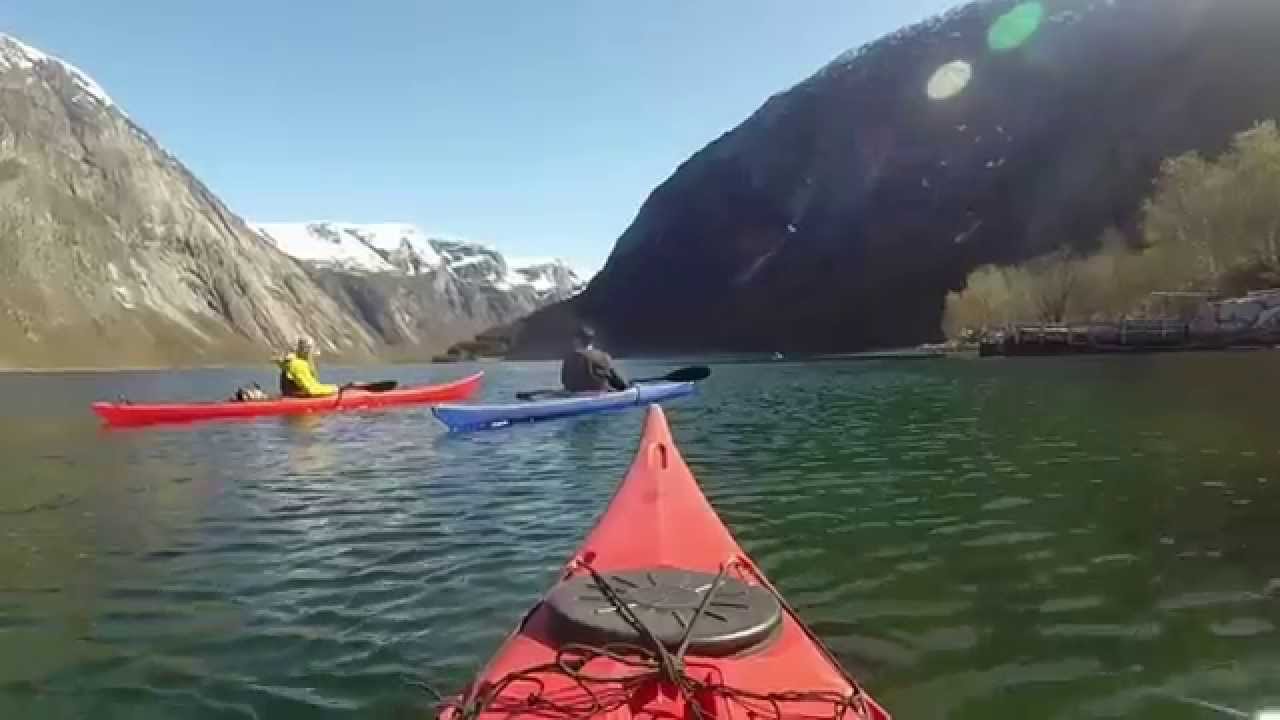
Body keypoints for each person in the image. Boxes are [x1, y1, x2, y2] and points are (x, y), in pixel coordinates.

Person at [561, 326, 628, 393]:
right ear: (592, 340)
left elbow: (564, 381)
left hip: (573, 396)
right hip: (599, 396)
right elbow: (616, 381)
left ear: (576, 340)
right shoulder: (603, 356)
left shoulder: (568, 359)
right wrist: (627, 389)